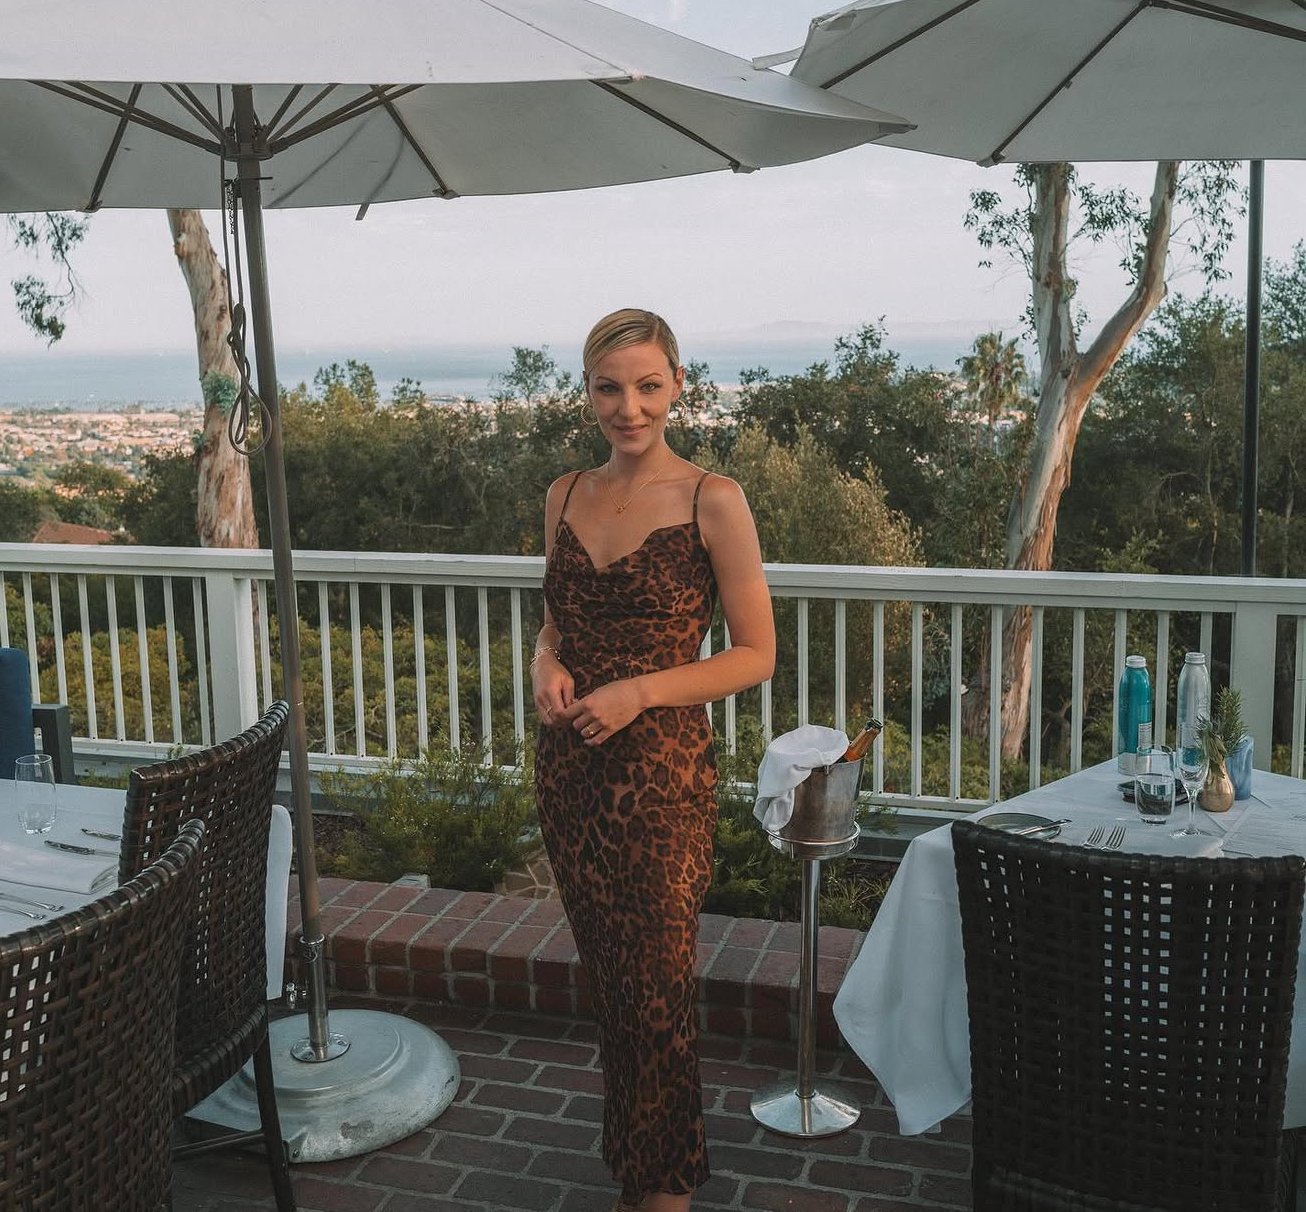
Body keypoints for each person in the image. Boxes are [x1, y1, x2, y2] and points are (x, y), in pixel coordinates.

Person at [531, 308, 775, 1212]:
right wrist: (543, 663)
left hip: (663, 782)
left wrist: (638, 692)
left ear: (678, 385)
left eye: (646, 386)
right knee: (614, 988)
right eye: (608, 388)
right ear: (587, 392)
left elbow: (756, 654)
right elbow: (555, 621)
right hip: (570, 775)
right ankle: (637, 1169)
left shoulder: (715, 498)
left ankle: (664, 1192)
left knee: (659, 994)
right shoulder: (563, 494)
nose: (627, 407)